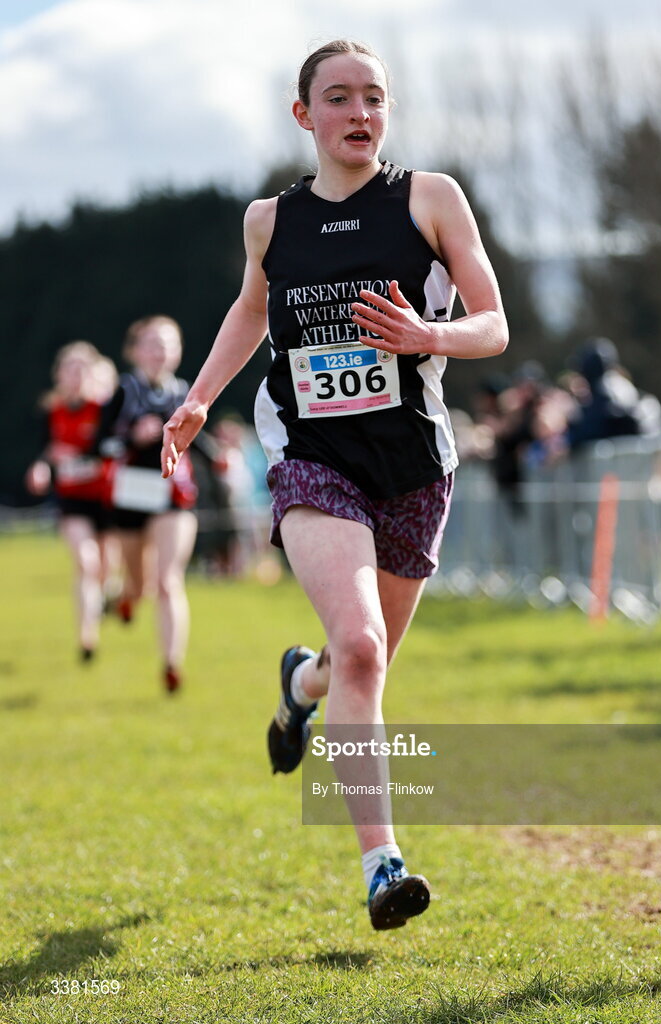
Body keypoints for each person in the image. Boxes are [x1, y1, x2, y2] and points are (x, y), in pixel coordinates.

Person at [160, 39, 508, 928]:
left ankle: (297, 687)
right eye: (340, 97)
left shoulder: (429, 198)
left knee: (356, 661)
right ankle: (382, 865)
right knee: (360, 649)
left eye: (375, 98)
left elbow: (492, 324)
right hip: (314, 457)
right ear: (303, 114)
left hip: (415, 467)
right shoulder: (268, 221)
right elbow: (250, 307)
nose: (360, 113)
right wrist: (199, 398)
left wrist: (430, 337)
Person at [96, 315, 214, 693]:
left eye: (167, 343)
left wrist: (220, 458)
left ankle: (171, 663)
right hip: (131, 497)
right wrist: (133, 436)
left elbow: (202, 436)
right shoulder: (124, 391)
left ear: (178, 352)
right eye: (151, 343)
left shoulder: (185, 392)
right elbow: (99, 444)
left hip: (174, 497)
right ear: (134, 351)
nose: (159, 351)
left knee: (167, 581)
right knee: (140, 584)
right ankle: (124, 598)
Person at [25, 342, 114, 661]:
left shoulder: (103, 409)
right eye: (69, 369)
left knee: (104, 568)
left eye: (81, 370)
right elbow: (45, 450)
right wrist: (40, 468)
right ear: (59, 374)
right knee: (84, 563)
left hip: (105, 497)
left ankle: (103, 604)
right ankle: (86, 636)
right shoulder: (52, 410)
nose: (75, 376)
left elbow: (113, 447)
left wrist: (80, 457)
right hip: (72, 499)